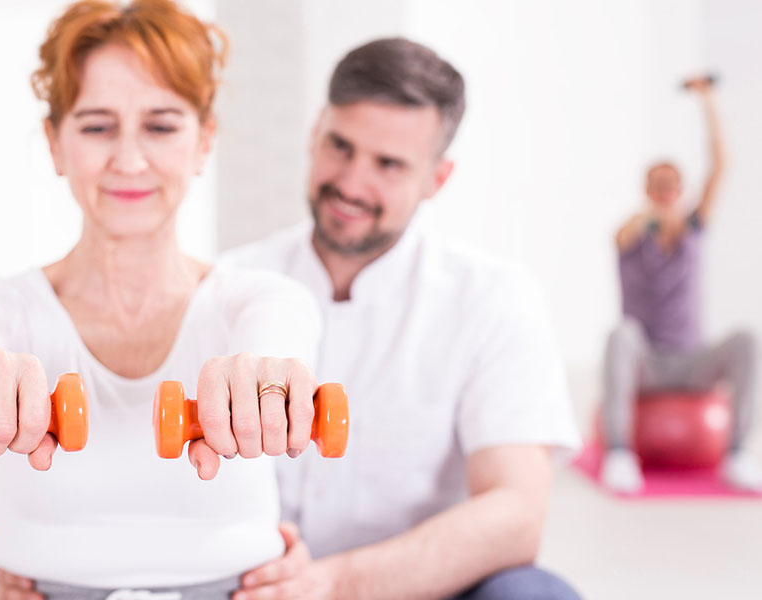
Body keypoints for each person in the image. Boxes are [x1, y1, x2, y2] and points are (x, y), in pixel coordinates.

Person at [0, 2, 325, 598]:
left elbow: (279, 333)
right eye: (98, 127)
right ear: (55, 143)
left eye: (160, 126)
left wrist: (267, 372)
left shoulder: (258, 298)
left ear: (204, 141)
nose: (129, 161)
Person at [222, 38, 582, 599]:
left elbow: (517, 512)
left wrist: (334, 584)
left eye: (388, 165)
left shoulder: (492, 300)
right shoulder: (229, 284)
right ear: (315, 131)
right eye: (340, 146)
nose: (351, 183)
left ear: (437, 179)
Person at [600, 76, 760, 494]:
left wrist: (708, 101)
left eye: (674, 186)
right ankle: (619, 451)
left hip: (692, 361)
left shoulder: (694, 229)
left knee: (747, 339)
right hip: (647, 363)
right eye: (659, 185)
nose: (668, 192)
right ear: (648, 190)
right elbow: (621, 234)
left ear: (682, 190)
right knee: (620, 335)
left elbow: (721, 166)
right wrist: (651, 216)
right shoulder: (630, 235)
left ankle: (739, 451)